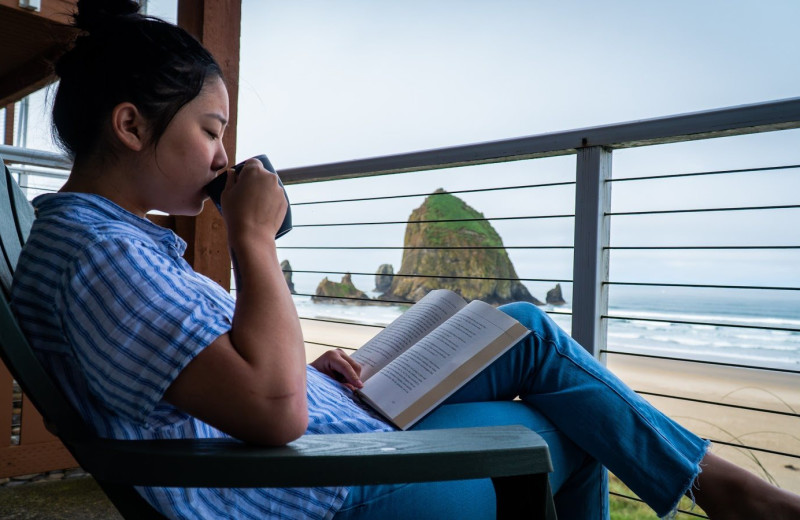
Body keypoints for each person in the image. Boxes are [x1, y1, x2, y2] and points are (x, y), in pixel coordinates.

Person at [10, 1, 800, 519]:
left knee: (522, 326)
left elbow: (203, 373)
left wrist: (308, 370)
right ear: (130, 125)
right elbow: (272, 415)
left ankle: (720, 487)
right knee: (568, 420)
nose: (223, 156)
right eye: (211, 130)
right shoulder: (100, 257)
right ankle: (726, 490)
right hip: (327, 484)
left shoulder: (105, 240)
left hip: (331, 432)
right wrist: (251, 237)